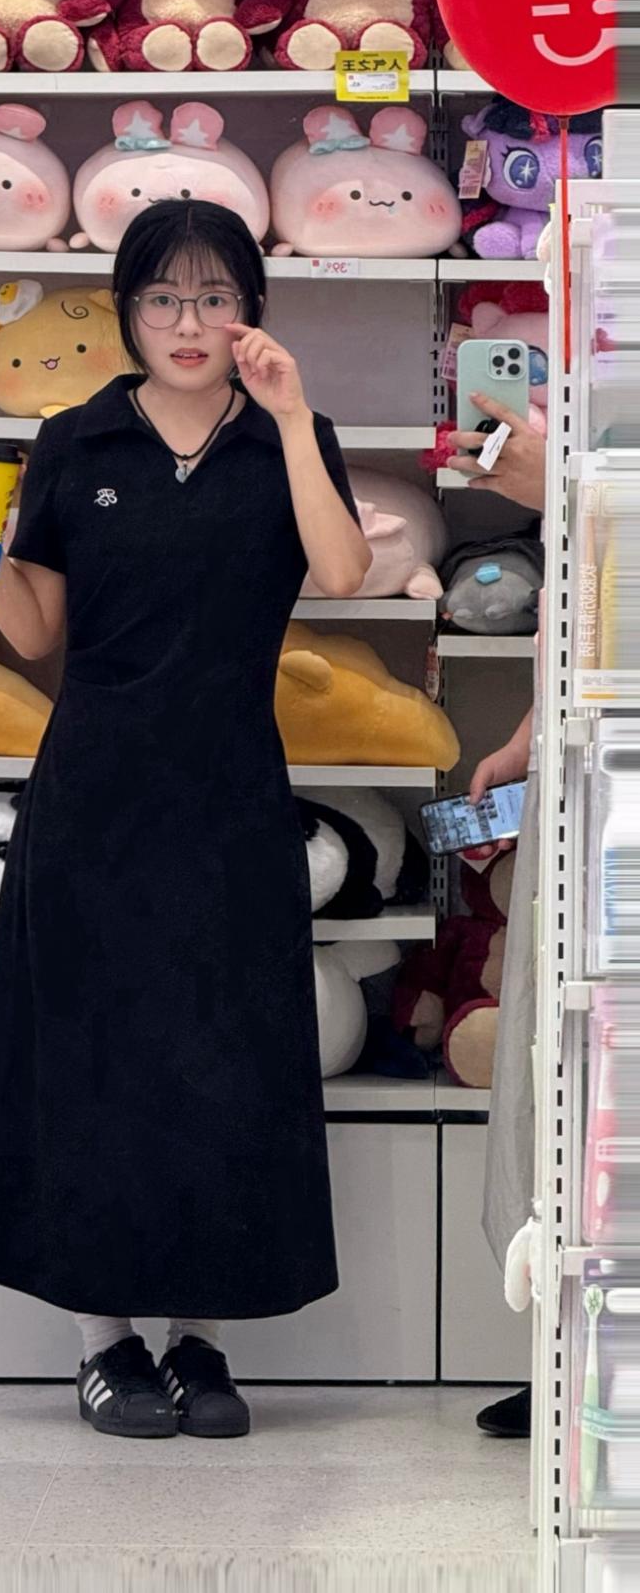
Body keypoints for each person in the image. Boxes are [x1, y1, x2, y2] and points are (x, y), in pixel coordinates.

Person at [0, 200, 370, 1440]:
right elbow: (31, 631)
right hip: (91, 797)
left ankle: (201, 1341)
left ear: (250, 312)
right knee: (92, 1062)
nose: (187, 321)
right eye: (162, 297)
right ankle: (103, 1341)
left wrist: (289, 414)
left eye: (214, 296)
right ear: (125, 309)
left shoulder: (290, 435)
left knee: (226, 1062)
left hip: (229, 797)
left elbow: (341, 574)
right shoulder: (76, 438)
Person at [446, 391, 547, 1440]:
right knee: (544, 1065)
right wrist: (527, 737)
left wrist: (559, 492)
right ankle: (565, 1340)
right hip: (583, 774)